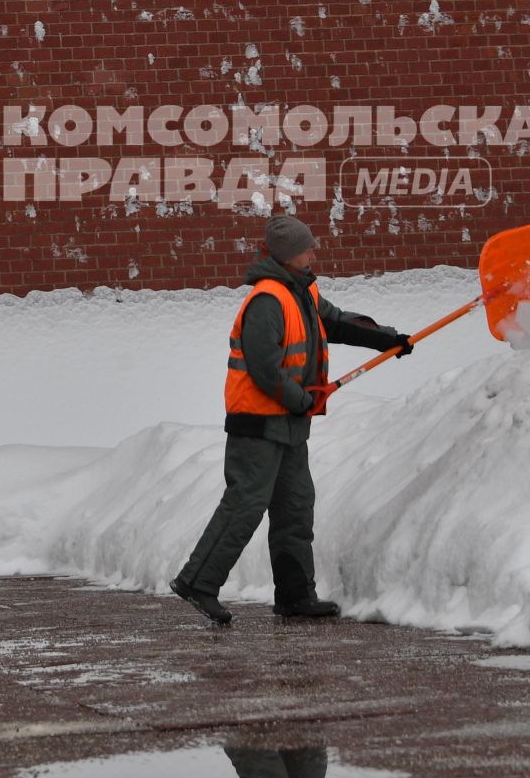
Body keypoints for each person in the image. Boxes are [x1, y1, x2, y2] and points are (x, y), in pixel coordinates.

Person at [171, 215, 412, 624]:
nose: (314, 253)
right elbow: (266, 368)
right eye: (308, 248)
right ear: (287, 255)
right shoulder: (267, 301)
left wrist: (386, 338)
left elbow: (335, 322)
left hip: (289, 424)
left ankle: (296, 595)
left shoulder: (303, 291)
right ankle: (198, 581)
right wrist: (301, 399)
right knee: (245, 504)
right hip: (258, 423)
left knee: (295, 507)